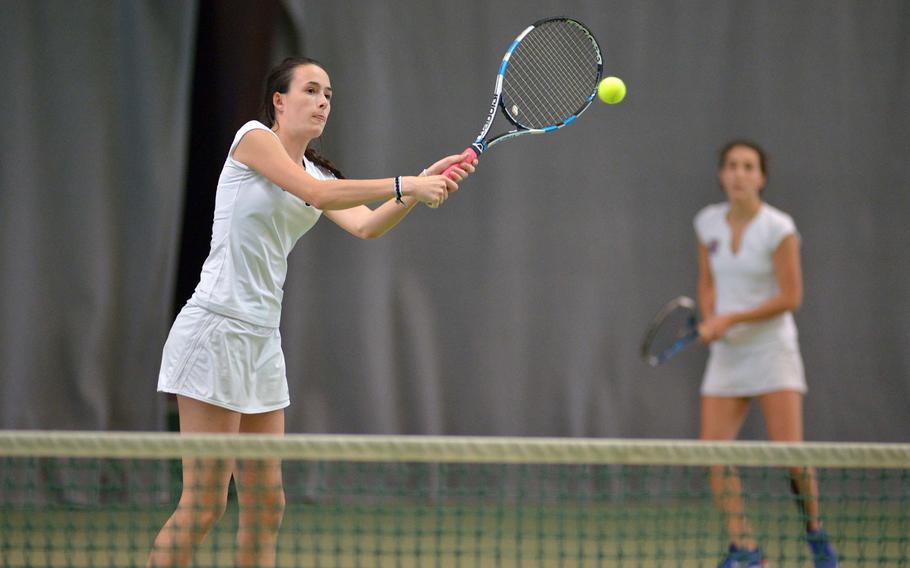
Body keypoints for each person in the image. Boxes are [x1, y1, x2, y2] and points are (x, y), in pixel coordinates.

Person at [146, 56, 476, 567]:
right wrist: (407, 184)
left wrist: (420, 182)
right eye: (311, 90)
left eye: (329, 95)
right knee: (205, 505)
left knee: (266, 504)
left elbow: (366, 225)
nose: (323, 101)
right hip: (215, 329)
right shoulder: (252, 138)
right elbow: (317, 195)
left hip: (260, 342)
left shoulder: (314, 169)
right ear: (279, 101)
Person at [694, 140, 838, 568]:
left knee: (791, 455)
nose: (739, 173)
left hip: (773, 350)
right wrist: (710, 319)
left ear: (761, 178)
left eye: (748, 166)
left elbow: (791, 297)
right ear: (722, 174)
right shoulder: (706, 223)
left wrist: (730, 319)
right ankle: (746, 550)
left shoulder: (780, 228)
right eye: (732, 166)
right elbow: (707, 282)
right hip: (729, 355)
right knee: (712, 454)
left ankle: (815, 532)